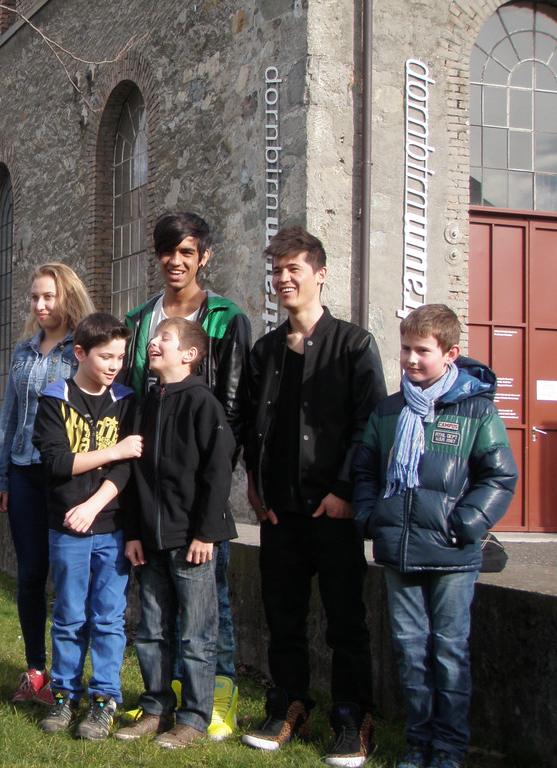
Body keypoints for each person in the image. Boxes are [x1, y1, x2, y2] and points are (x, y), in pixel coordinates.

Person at [242, 225, 386, 767]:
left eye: (293, 269)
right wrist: (256, 489)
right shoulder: (265, 350)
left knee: (346, 621)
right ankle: (288, 706)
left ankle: (352, 719)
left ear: (320, 275)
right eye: (277, 270)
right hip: (280, 512)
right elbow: (252, 427)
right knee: (284, 618)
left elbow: (369, 425)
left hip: (333, 511)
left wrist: (345, 491)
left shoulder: (354, 345)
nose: (283, 279)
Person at [353, 304, 516, 768]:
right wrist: (370, 516)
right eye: (405, 348)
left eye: (422, 351)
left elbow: (499, 476)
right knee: (410, 652)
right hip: (399, 551)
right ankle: (418, 742)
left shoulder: (476, 410)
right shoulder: (389, 410)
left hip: (452, 554)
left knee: (448, 652)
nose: (410, 359)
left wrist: (466, 523)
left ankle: (448, 748)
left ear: (450, 354)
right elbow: (365, 470)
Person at [122, 211, 251, 740]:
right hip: (150, 488)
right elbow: (132, 398)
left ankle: (212, 703)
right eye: (167, 251)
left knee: (205, 606)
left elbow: (233, 407)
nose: (175, 261)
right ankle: (161, 702)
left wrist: (207, 510)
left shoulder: (224, 317)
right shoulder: (140, 320)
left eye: (187, 252)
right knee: (155, 614)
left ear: (204, 257)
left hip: (194, 491)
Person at [115, 318, 237, 749]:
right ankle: (156, 708)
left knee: (196, 634)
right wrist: (133, 532)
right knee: (151, 629)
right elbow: (133, 475)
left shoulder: (203, 403)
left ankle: (194, 717)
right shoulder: (145, 403)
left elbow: (218, 473)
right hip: (149, 541)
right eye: (154, 337)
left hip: (191, 543)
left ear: (189, 354)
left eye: (164, 338)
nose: (153, 342)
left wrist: (206, 533)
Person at [0, 263, 95, 706]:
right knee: (30, 575)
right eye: (34, 297)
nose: (40, 305)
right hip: (23, 474)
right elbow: (10, 415)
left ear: (67, 296)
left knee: (70, 579)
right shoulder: (23, 351)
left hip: (67, 476)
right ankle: (36, 671)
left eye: (48, 296)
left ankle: (70, 677)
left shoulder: (83, 350)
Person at [32, 313, 141, 741]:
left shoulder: (127, 399)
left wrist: (95, 505)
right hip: (67, 527)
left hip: (111, 526)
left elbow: (128, 467)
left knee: (109, 618)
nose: (115, 365)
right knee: (68, 615)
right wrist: (114, 450)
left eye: (120, 357)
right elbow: (58, 463)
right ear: (80, 353)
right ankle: (64, 695)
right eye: (105, 356)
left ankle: (104, 701)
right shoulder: (54, 398)